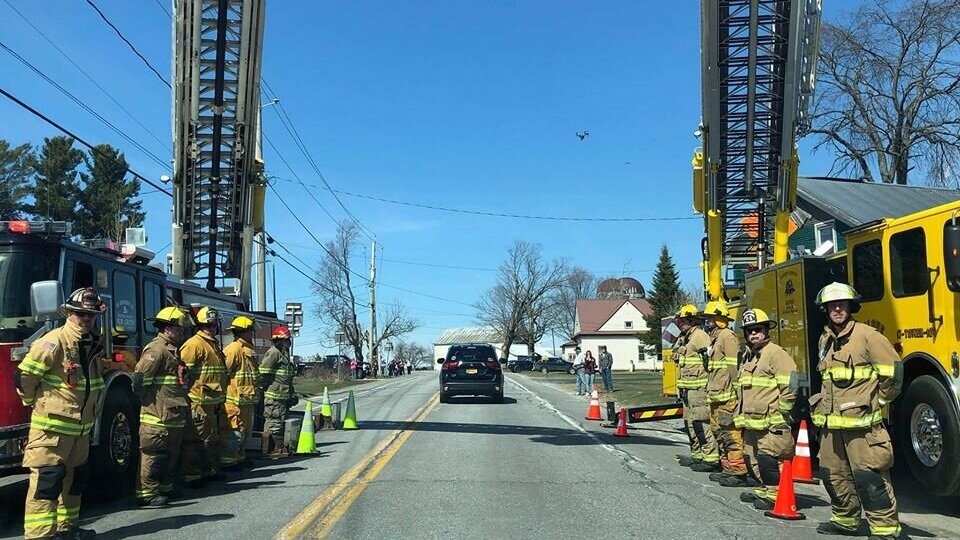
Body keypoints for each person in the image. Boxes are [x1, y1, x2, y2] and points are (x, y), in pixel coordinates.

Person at [811, 283, 903, 539]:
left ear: (851, 307)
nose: (837, 309)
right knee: (833, 475)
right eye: (832, 305)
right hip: (832, 427)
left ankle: (885, 529)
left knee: (869, 477)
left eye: (842, 304)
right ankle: (845, 520)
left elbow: (894, 376)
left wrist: (877, 403)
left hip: (862, 429)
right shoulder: (826, 339)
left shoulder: (868, 336)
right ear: (825, 309)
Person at [15, 287, 106, 540]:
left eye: (90, 315)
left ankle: (67, 529)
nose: (86, 319)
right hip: (51, 431)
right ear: (69, 314)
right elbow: (24, 376)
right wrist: (35, 403)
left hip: (80, 431)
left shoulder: (91, 344)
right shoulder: (53, 341)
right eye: (80, 314)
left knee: (76, 481)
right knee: (47, 482)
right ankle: (40, 536)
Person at [735, 308, 797, 511]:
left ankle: (776, 494)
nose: (754, 334)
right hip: (753, 422)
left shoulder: (776, 353)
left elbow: (792, 383)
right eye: (750, 330)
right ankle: (765, 488)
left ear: (766, 331)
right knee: (752, 458)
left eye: (758, 329)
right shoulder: (750, 356)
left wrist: (782, 413)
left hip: (771, 421)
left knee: (770, 459)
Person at [133, 307, 190, 507]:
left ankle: (164, 488)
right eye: (179, 328)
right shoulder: (156, 350)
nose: (182, 332)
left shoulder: (174, 350)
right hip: (156, 416)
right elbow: (139, 382)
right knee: (153, 455)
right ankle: (146, 493)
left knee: (169, 455)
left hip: (172, 415)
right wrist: (152, 404)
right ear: (167, 329)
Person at [701, 301, 750, 486]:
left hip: (727, 396)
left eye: (711, 317)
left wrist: (737, 393)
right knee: (719, 433)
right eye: (707, 318)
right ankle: (728, 468)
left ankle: (739, 473)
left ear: (720, 319)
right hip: (715, 396)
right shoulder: (715, 338)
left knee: (731, 435)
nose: (708, 321)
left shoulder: (727, 336)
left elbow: (733, 366)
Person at [180, 306, 230, 485]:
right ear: (200, 326)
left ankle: (208, 471)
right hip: (198, 402)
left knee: (210, 439)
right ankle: (192, 475)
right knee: (196, 440)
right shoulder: (194, 345)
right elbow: (182, 375)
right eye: (208, 325)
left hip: (211, 402)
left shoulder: (212, 344)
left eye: (214, 324)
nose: (212, 328)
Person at [673, 304, 718, 470]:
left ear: (692, 320)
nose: (680, 323)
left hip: (698, 389)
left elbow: (709, 362)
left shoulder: (700, 336)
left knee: (701, 423)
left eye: (684, 320)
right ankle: (697, 454)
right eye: (680, 320)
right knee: (689, 424)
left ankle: (710, 457)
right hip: (687, 390)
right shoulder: (686, 337)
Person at [221, 316, 260, 469]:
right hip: (234, 401)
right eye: (250, 331)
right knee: (233, 431)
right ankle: (229, 460)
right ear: (242, 332)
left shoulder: (247, 350)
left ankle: (240, 457)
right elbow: (224, 373)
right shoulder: (233, 349)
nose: (252, 334)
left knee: (244, 431)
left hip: (246, 401)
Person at [259, 326, 297, 457]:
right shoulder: (273, 353)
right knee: (274, 423)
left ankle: (278, 447)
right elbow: (263, 374)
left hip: (283, 398)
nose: (288, 342)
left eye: (288, 340)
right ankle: (271, 449)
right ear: (278, 341)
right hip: (274, 398)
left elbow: (287, 378)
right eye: (285, 340)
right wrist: (261, 389)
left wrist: (292, 394)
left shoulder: (284, 354)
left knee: (280, 423)